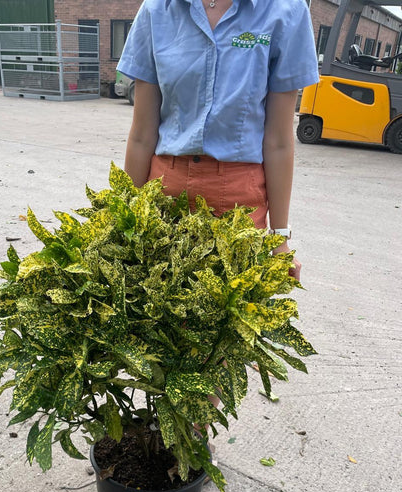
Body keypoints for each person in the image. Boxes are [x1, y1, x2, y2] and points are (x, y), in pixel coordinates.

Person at [117, 0, 320, 281]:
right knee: (154, 301)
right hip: (163, 194)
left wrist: (279, 238)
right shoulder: (157, 10)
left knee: (234, 303)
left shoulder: (286, 12)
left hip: (238, 202)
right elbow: (142, 136)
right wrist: (124, 223)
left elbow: (278, 142)